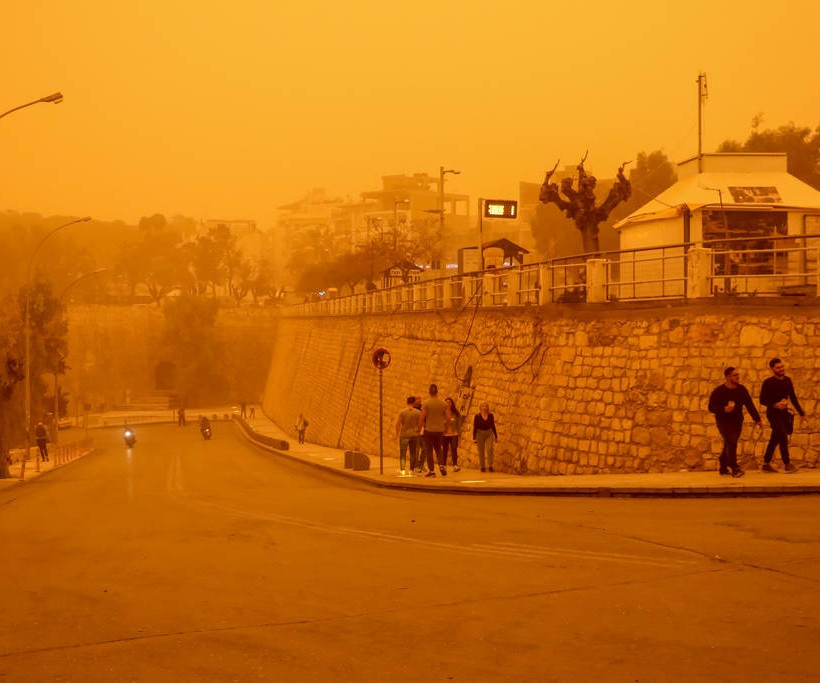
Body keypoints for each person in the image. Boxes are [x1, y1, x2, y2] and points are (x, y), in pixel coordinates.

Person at [708, 366, 762, 478]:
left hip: (737, 421)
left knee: (730, 443)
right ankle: (734, 467)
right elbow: (711, 407)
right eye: (735, 375)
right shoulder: (719, 391)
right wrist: (724, 409)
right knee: (731, 442)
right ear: (728, 377)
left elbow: (749, 405)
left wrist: (757, 419)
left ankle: (723, 464)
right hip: (723, 421)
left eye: (738, 375)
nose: (738, 377)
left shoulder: (741, 390)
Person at [759, 358, 805, 473]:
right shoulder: (768, 382)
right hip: (773, 413)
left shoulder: (787, 381)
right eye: (778, 367)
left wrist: (801, 413)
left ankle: (766, 463)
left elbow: (793, 397)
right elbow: (762, 400)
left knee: (775, 438)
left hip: (784, 414)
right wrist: (775, 405)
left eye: (782, 366)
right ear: (772, 369)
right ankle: (787, 463)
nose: (781, 369)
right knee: (782, 436)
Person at [418, 384, 448, 477]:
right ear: (437, 391)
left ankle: (431, 471)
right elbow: (448, 417)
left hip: (429, 430)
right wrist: (443, 426)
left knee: (429, 450)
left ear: (429, 392)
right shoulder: (443, 403)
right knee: (439, 449)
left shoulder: (426, 403)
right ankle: (442, 465)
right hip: (439, 430)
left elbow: (422, 417)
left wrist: (419, 429)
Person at [395, 395, 420, 475]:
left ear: (407, 402)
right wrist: (418, 431)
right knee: (413, 452)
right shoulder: (418, 412)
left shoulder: (402, 412)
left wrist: (397, 434)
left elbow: (398, 424)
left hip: (404, 434)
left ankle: (402, 469)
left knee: (403, 453)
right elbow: (420, 424)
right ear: (414, 402)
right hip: (414, 434)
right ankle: (411, 469)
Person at [473, 402, 498, 472]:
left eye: (486, 406)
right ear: (480, 407)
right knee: (481, 450)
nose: (484, 407)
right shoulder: (477, 416)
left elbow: (493, 425)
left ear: (487, 408)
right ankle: (482, 466)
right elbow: (475, 427)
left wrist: (496, 436)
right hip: (479, 434)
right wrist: (474, 438)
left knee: (490, 449)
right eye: (483, 406)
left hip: (489, 433)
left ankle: (490, 466)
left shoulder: (490, 415)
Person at [443, 397, 462, 472]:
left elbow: (459, 424)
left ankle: (455, 465)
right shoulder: (442, 412)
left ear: (452, 403)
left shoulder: (456, 413)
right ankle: (444, 465)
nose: (448, 404)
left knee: (454, 448)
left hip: (454, 433)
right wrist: (445, 421)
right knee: (445, 449)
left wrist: (459, 434)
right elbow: (440, 421)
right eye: (446, 402)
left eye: (449, 402)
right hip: (445, 434)